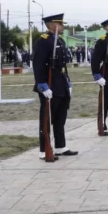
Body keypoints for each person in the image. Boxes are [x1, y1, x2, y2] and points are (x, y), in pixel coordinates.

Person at [33, 13, 78, 159]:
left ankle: (60, 146)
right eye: (60, 24)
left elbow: (62, 66)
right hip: (50, 85)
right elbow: (38, 64)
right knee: (47, 119)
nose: (62, 26)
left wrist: (68, 82)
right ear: (51, 25)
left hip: (61, 84)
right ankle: (44, 149)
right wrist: (42, 85)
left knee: (60, 118)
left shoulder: (60, 41)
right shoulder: (43, 41)